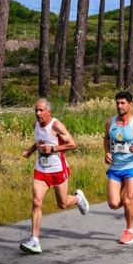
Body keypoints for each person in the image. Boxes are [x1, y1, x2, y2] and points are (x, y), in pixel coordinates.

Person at [19, 99, 89, 254]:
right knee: (36, 201)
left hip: (57, 169)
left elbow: (72, 144)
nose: (38, 113)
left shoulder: (56, 125)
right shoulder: (35, 125)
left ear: (49, 112)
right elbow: (39, 142)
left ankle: (78, 198)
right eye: (36, 110)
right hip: (41, 170)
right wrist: (30, 151)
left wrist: (52, 149)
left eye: (41, 110)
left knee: (62, 204)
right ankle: (35, 240)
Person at [104, 91, 133, 245]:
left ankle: (129, 231)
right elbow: (106, 139)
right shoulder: (110, 123)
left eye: (123, 103)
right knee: (113, 204)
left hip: (132, 167)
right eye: (117, 103)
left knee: (126, 200)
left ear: (130, 105)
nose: (120, 106)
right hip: (115, 168)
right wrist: (107, 152)